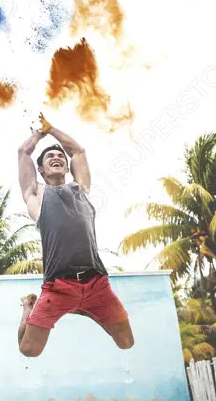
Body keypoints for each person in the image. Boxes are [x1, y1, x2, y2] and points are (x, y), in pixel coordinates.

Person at [16, 114, 135, 357]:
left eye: (60, 156)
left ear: (67, 167)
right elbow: (23, 153)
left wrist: (52, 128)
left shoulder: (81, 189)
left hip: (96, 283)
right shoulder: (36, 195)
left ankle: (82, 308)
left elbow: (78, 152)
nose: (57, 157)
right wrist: (40, 134)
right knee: (29, 350)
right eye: (50, 156)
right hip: (58, 286)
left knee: (126, 342)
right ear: (41, 169)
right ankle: (30, 305)